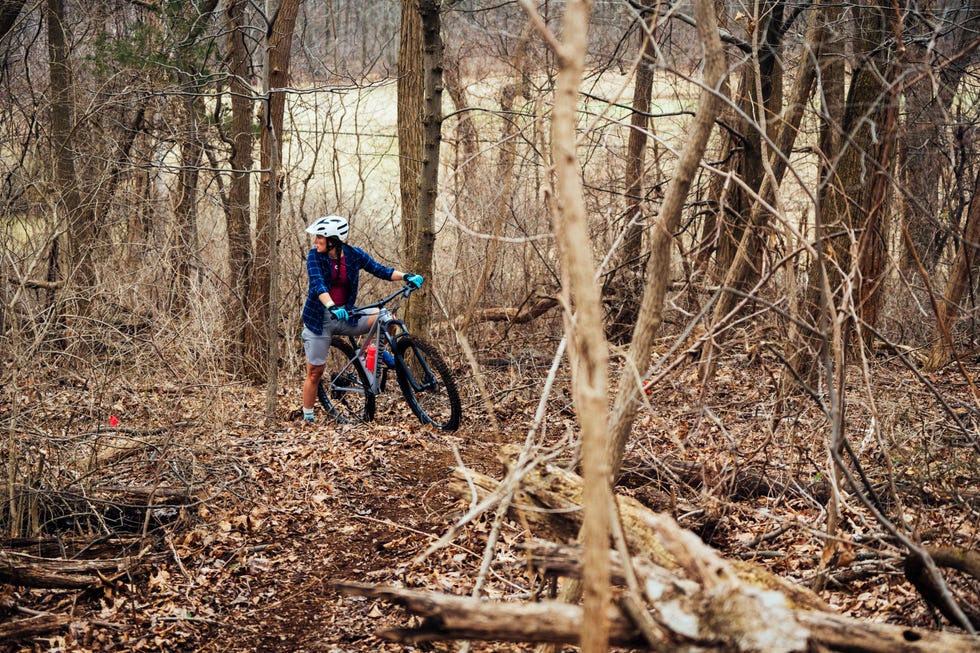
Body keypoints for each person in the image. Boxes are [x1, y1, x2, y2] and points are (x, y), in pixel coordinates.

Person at [301, 215, 423, 424]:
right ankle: (308, 417)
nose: (315, 241)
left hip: (347, 315)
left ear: (333, 240)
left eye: (319, 237)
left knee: (387, 318)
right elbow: (318, 285)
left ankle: (374, 353)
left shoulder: (353, 255)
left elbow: (380, 270)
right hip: (319, 320)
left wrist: (406, 276)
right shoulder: (315, 257)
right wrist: (331, 306)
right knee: (315, 372)